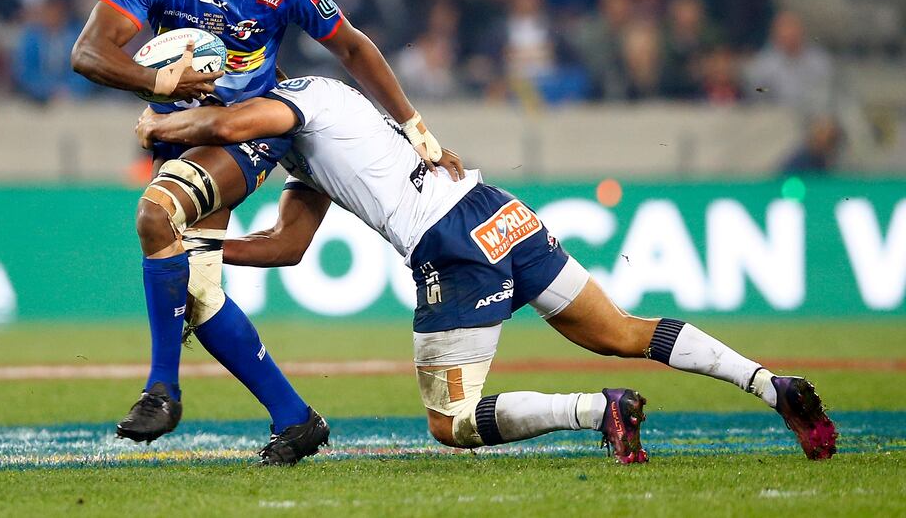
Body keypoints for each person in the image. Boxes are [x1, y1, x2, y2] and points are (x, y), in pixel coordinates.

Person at [134, 74, 840, 463]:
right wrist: (204, 245)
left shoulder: (293, 102)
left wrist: (165, 124)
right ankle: (770, 385)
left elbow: (227, 126)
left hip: (449, 244)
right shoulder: (316, 124)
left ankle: (598, 410)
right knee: (620, 328)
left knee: (452, 422)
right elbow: (288, 244)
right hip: (494, 207)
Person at [70, 0, 447, 464]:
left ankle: (162, 390)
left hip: (246, 136)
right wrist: (156, 81)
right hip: (178, 135)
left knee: (155, 216)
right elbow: (88, 52)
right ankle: (296, 419)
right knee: (197, 290)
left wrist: (414, 126)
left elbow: (351, 46)